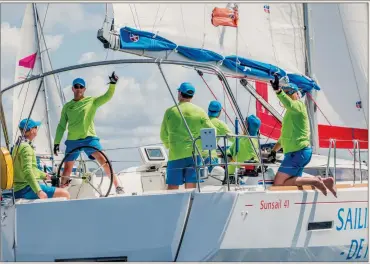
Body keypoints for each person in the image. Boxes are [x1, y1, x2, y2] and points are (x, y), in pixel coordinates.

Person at [53, 72, 124, 194]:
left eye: (81, 87)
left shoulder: (92, 101)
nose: (78, 89)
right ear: (72, 88)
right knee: (67, 168)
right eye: (76, 86)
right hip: (72, 141)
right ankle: (61, 193)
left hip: (89, 138)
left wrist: (112, 84)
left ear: (84, 89)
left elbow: (107, 96)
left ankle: (118, 186)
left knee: (103, 160)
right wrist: (56, 142)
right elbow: (61, 126)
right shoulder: (67, 106)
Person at [267, 74, 336, 197]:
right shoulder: (290, 113)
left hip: (297, 153)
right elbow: (284, 137)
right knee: (291, 183)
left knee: (278, 183)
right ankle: (325, 182)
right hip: (298, 153)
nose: (287, 94)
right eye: (285, 92)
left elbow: (290, 104)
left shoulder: (298, 105)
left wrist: (278, 91)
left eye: (289, 92)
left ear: (297, 94)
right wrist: (273, 151)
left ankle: (315, 181)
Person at [160, 82, 216, 190]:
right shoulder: (200, 111)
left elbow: (163, 135)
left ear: (180, 93)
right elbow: (212, 130)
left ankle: (173, 206)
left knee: (172, 187)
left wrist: (169, 145)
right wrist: (202, 146)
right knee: (191, 188)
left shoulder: (170, 112)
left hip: (175, 154)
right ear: (192, 95)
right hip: (194, 154)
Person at [12, 118, 70, 200]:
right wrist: (38, 191)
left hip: (18, 188)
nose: (37, 130)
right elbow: (27, 171)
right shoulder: (26, 147)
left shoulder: (18, 145)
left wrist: (44, 175)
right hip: (25, 189)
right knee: (65, 194)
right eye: (36, 128)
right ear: (32, 130)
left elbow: (31, 169)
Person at [202, 100, 234, 173]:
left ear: (208, 110)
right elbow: (234, 139)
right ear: (219, 112)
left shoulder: (202, 121)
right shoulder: (220, 124)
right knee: (214, 180)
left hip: (198, 157)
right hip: (211, 157)